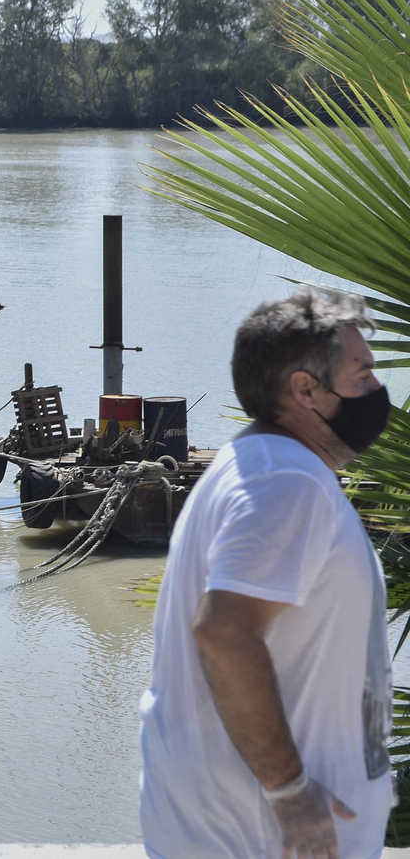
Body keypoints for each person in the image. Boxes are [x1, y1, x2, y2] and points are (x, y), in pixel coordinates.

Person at [140, 287, 395, 859]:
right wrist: (291, 794)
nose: (378, 391)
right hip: (263, 839)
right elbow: (224, 632)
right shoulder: (286, 482)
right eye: (362, 375)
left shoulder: (258, 463)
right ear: (306, 389)